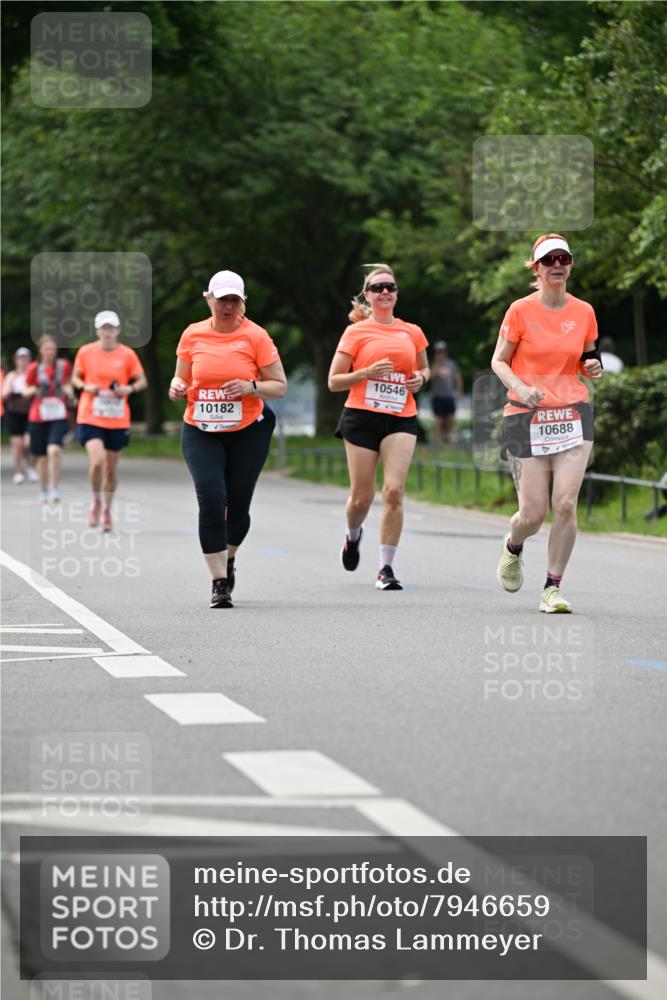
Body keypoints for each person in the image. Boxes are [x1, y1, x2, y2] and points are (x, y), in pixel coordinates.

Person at [491, 234, 603, 613]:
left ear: (570, 265)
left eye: (563, 258)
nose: (557, 264)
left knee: (566, 504)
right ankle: (514, 544)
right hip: (525, 417)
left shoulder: (584, 312)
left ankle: (552, 588)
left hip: (572, 415)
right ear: (536, 267)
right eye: (548, 259)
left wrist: (594, 367)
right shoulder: (519, 311)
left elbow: (588, 358)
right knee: (533, 514)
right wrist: (520, 387)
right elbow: (499, 361)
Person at [169, 270, 287, 608]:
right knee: (211, 498)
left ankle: (229, 557)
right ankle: (219, 582)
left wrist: (250, 387)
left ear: (243, 302)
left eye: (234, 300)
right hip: (201, 429)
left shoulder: (256, 336)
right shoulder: (192, 335)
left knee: (238, 507)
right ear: (209, 299)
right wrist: (176, 387)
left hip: (248, 430)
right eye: (222, 300)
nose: (228, 306)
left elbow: (279, 386)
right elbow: (180, 379)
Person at [328, 264, 430, 591]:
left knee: (394, 491)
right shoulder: (355, 332)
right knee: (361, 498)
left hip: (401, 415)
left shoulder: (412, 331)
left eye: (390, 286)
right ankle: (353, 535)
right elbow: (333, 381)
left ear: (397, 294)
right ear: (367, 296)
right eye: (377, 288)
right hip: (361, 416)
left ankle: (386, 567)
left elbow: (425, 369)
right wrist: (365, 373)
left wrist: (420, 379)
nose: (385, 292)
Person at [71, 311, 147, 531]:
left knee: (111, 471)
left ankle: (106, 509)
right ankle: (96, 501)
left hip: (117, 418)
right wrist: (85, 386)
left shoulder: (128, 354)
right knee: (97, 462)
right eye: (104, 328)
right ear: (97, 330)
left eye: (111, 327)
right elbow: (75, 377)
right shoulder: (86, 352)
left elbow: (142, 381)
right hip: (90, 415)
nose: (107, 331)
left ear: (118, 330)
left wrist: (129, 388)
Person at [24, 336, 74, 503]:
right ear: (40, 350)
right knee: (42, 457)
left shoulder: (63, 366)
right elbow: (26, 389)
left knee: (54, 450)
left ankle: (54, 488)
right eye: (46, 349)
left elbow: (66, 383)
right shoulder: (33, 368)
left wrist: (70, 393)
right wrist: (33, 391)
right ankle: (43, 489)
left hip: (58, 414)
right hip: (38, 416)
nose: (50, 352)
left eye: (53, 349)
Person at [2, 347, 38, 484]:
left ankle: (30, 467)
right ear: (16, 360)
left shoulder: (33, 375)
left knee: (28, 443)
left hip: (30, 412)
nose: (23, 361)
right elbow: (4, 394)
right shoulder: (12, 376)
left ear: (29, 360)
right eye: (20, 358)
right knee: (17, 445)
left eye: (25, 358)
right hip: (15, 413)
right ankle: (18, 471)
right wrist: (10, 388)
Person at [430, 340, 463, 446]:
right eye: (438, 352)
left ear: (445, 352)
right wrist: (437, 364)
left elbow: (458, 378)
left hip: (449, 396)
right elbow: (430, 376)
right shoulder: (434, 364)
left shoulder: (451, 364)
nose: (440, 354)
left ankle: (447, 435)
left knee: (451, 417)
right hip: (437, 396)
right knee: (438, 418)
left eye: (442, 351)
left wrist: (459, 391)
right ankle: (438, 441)